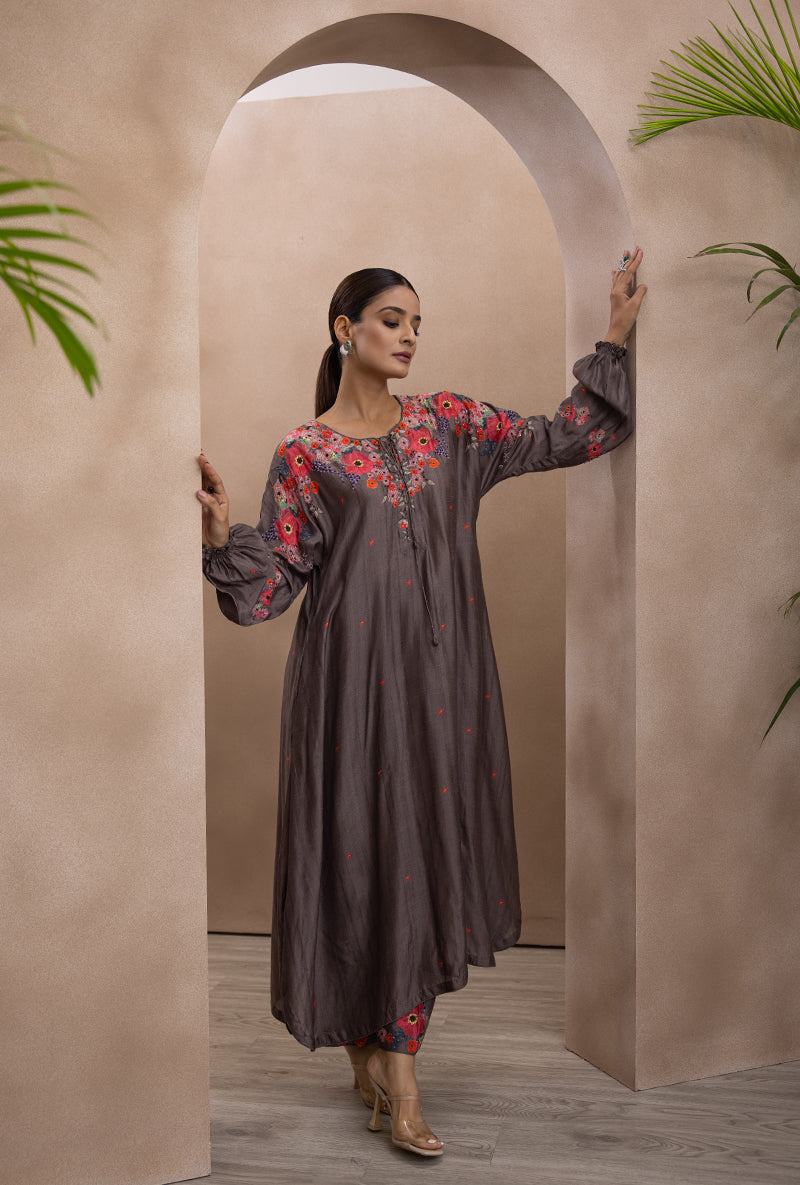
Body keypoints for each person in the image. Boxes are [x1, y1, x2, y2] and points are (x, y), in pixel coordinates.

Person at [197, 256, 646, 1157]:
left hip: (446, 694)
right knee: (362, 857)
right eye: (392, 319)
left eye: (415, 324)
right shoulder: (307, 453)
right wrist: (220, 540)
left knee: (419, 857)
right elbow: (270, 588)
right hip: (345, 692)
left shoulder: (450, 426)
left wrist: (616, 339)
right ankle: (370, 1052)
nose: (408, 336)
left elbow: (567, 437)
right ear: (345, 328)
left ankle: (399, 1071)